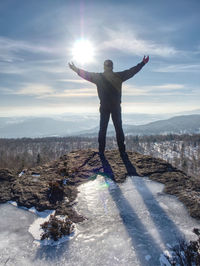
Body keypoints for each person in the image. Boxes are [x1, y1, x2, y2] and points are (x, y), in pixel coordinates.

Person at [68, 55, 149, 156]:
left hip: (104, 107)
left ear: (104, 67)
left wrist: (75, 69)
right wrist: (143, 63)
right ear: (112, 67)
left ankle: (101, 151)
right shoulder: (119, 76)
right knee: (118, 128)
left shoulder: (98, 78)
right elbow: (132, 71)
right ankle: (122, 151)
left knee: (103, 129)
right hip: (116, 107)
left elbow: (86, 74)